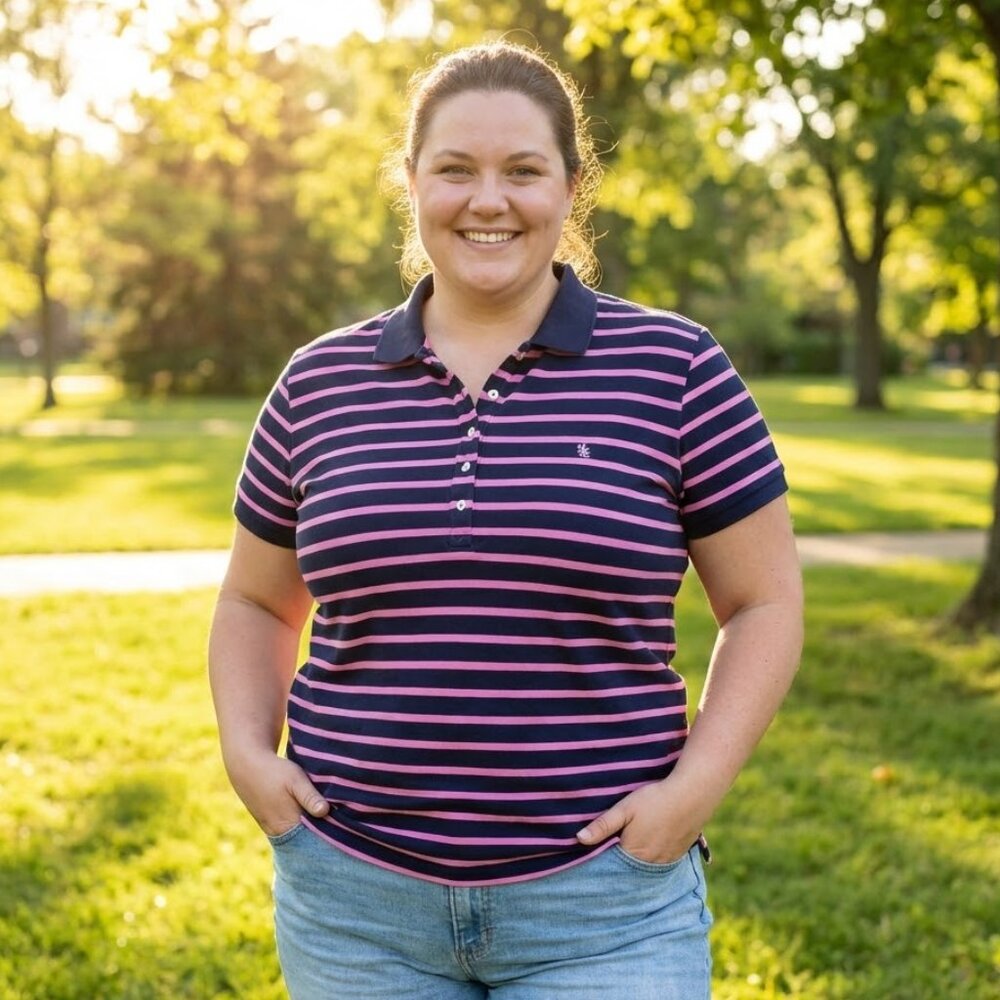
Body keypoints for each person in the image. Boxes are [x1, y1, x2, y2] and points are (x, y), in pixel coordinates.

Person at [208, 39, 803, 1000]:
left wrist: (690, 797)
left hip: (606, 905)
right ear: (411, 184)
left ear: (572, 186)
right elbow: (253, 601)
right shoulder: (318, 383)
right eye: (456, 170)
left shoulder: (677, 368)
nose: (490, 200)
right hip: (354, 905)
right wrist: (247, 753)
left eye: (523, 171)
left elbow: (765, 603)